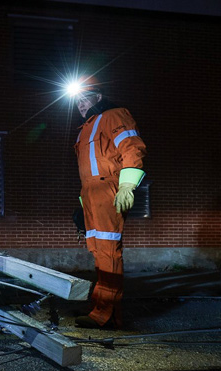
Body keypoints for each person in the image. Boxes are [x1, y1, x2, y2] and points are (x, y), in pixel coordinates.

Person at [72, 78, 147, 329]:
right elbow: (87, 170)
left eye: (85, 99)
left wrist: (127, 184)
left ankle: (103, 314)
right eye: (77, 101)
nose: (81, 105)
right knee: (97, 251)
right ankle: (105, 309)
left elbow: (132, 147)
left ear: (98, 96)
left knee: (107, 251)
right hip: (92, 196)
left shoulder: (114, 115)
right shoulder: (86, 128)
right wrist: (82, 204)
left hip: (108, 190)